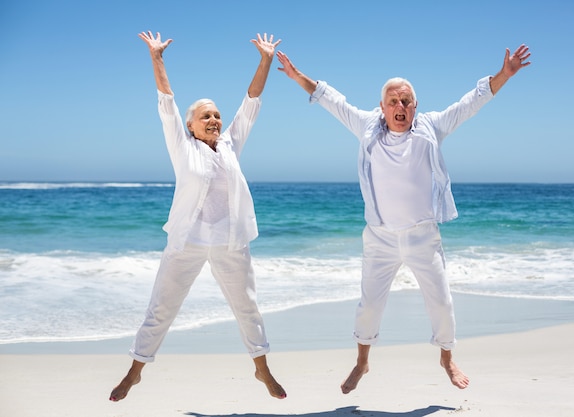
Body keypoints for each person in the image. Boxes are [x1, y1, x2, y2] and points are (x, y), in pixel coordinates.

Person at [276, 44, 531, 394]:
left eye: (406, 101)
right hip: (380, 237)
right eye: (394, 101)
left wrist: (505, 74)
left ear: (415, 106)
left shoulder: (431, 127)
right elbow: (330, 99)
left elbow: (470, 103)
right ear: (382, 106)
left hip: (422, 235)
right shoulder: (366, 126)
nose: (401, 107)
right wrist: (295, 76)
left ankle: (447, 359)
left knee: (441, 301)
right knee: (369, 305)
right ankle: (362, 362)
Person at [109, 31, 286, 402]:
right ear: (191, 125)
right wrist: (157, 57)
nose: (215, 119)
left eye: (217, 115)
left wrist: (265, 60)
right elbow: (167, 102)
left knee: (247, 307)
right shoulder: (182, 146)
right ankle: (134, 372)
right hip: (187, 242)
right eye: (206, 115)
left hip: (229, 242)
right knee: (161, 308)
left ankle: (262, 369)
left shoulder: (230, 145)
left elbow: (251, 102)